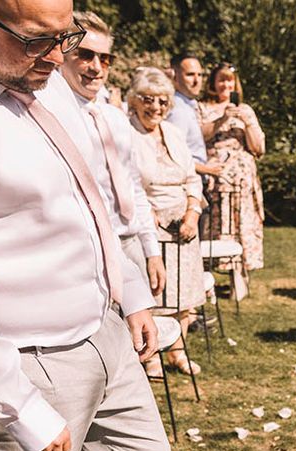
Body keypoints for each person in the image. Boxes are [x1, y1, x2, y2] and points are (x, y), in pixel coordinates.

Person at [0, 1, 172, 451]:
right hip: (27, 359)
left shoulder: (50, 83)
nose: (58, 54)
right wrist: (20, 410)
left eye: (63, 36)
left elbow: (94, 203)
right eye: (37, 39)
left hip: (103, 332)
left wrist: (133, 296)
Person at [60, 10, 166, 298]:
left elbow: (133, 185)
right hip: (89, 249)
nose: (97, 67)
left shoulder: (116, 118)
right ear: (62, 53)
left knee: (141, 336)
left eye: (105, 58)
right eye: (86, 55)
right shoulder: (53, 117)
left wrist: (151, 249)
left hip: (131, 241)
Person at [129, 67, 206, 376]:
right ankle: (150, 356)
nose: (156, 107)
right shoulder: (127, 134)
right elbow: (129, 185)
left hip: (184, 226)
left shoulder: (173, 133)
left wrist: (192, 214)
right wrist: (151, 218)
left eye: (162, 101)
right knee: (156, 295)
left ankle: (177, 351)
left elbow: (192, 178)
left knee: (185, 295)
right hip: (150, 225)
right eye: (148, 100)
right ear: (134, 101)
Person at [199, 62, 266, 296]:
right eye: (221, 80)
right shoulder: (203, 108)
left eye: (229, 81)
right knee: (218, 226)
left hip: (243, 179)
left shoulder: (246, 109)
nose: (225, 85)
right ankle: (210, 278)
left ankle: (241, 274)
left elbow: (259, 148)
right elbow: (198, 135)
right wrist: (221, 119)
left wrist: (247, 122)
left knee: (242, 224)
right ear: (213, 83)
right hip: (216, 178)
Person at [167, 51, 223, 179]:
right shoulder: (178, 110)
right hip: (185, 182)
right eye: (190, 75)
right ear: (175, 76)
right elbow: (174, 154)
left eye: (200, 75)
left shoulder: (189, 106)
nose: (197, 80)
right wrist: (207, 170)